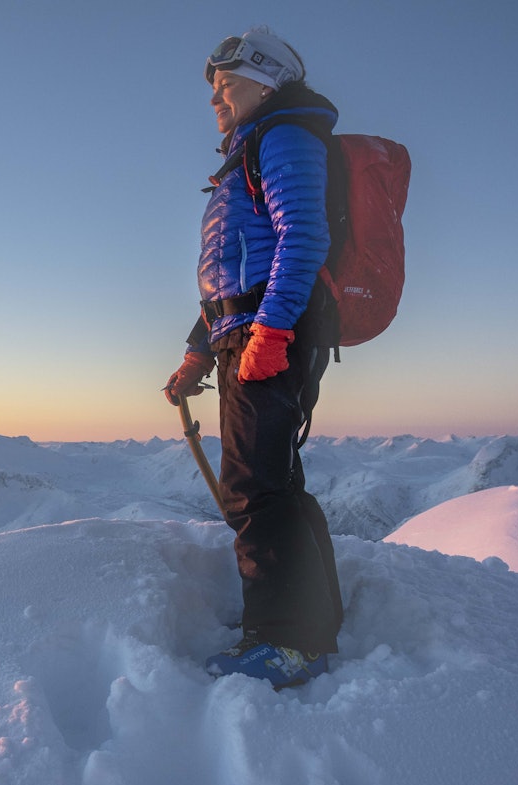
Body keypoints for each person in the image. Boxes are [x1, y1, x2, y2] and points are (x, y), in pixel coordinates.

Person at [164, 26, 343, 689]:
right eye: (214, 87)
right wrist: (197, 353)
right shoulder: (250, 148)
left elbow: (305, 237)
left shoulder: (283, 136)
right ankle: (315, 622)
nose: (216, 97)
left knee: (253, 488)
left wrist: (271, 328)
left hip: (270, 335)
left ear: (267, 83)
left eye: (228, 84)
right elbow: (229, 281)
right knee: (276, 482)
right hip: (247, 332)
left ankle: (286, 641)